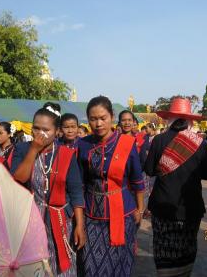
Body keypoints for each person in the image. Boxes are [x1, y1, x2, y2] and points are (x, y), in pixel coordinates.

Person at [11, 102, 85, 277]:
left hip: (60, 219)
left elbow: (75, 192)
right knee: (34, 265)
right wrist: (34, 149)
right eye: (36, 128)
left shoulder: (66, 154)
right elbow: (19, 178)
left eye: (46, 130)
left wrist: (80, 225)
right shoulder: (22, 149)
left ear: (57, 131)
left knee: (61, 265)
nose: (40, 133)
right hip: (30, 219)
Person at [145, 97, 207, 277]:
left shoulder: (158, 140)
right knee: (187, 246)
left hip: (162, 206)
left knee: (163, 247)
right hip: (190, 207)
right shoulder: (200, 142)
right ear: (189, 120)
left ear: (170, 119)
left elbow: (150, 170)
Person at [78, 96, 145, 277]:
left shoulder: (126, 143)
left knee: (120, 264)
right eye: (93, 119)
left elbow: (137, 179)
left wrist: (140, 208)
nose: (98, 123)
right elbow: (80, 183)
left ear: (112, 116)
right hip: (92, 215)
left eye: (103, 118)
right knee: (91, 266)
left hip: (123, 213)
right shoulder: (82, 145)